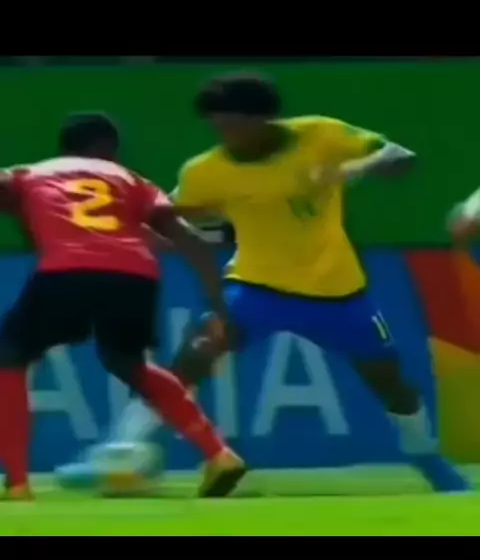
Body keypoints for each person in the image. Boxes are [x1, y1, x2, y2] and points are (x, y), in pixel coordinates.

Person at [59, 74, 470, 494]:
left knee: (391, 383)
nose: (227, 136)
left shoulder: (320, 134)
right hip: (256, 288)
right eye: (218, 127)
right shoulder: (206, 171)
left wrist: (350, 169)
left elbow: (401, 157)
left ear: (265, 119)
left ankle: (425, 456)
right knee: (197, 352)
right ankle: (124, 449)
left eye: (235, 125)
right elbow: (171, 219)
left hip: (338, 294)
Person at [0, 112, 245, 500]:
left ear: (64, 148)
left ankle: (17, 483)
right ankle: (219, 454)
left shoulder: (32, 173)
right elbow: (191, 241)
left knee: (10, 356)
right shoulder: (132, 181)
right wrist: (219, 306)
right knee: (130, 363)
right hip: (135, 275)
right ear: (112, 150)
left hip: (65, 271)